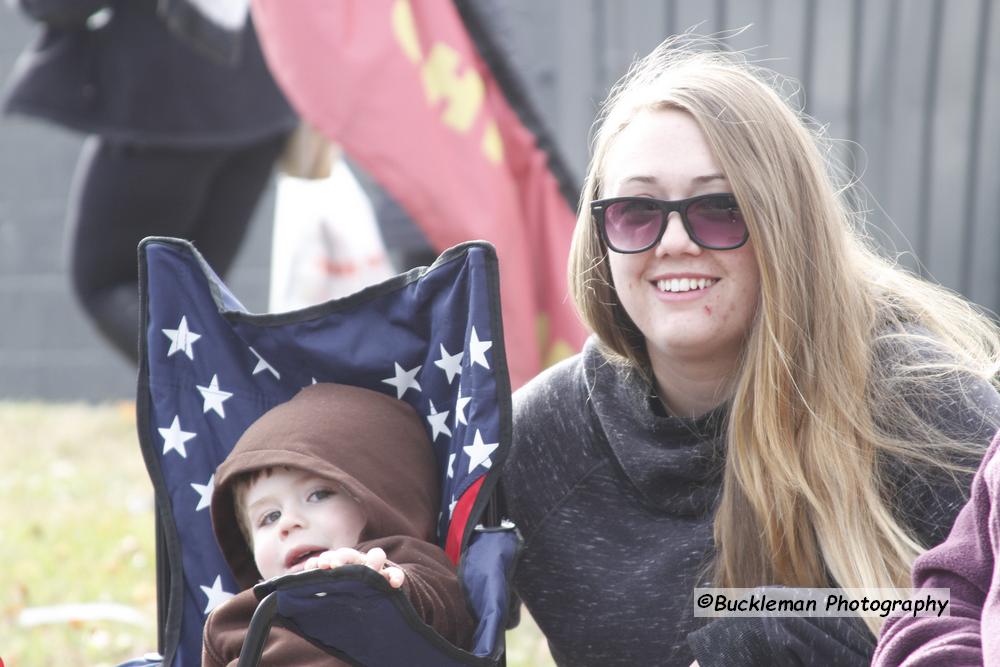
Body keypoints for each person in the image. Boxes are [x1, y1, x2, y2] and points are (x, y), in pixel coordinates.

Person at [501, 36, 1000, 667]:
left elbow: (955, 610)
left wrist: (767, 620)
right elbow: (429, 606)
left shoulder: (923, 402)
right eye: (635, 211)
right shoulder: (538, 435)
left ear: (784, 224)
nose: (674, 242)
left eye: (718, 208)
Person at [2, 0, 296, 364]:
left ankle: (237, 400)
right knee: (195, 297)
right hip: (262, 106)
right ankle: (224, 406)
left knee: (110, 285)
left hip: (164, 111)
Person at [202, 382, 475, 666]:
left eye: (318, 495)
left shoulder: (406, 563)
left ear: (379, 499)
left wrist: (383, 588)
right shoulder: (234, 620)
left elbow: (449, 615)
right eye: (269, 517)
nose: (288, 524)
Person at [872, 428, 1000, 666]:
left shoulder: (927, 414)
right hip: (890, 610)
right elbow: (946, 599)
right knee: (782, 608)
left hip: (878, 609)